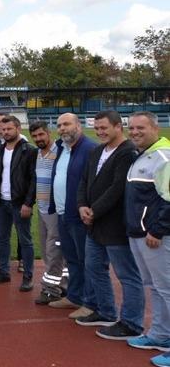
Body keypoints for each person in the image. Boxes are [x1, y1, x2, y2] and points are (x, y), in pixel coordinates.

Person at [76, 110, 142, 339]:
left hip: (115, 225)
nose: (100, 132)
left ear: (118, 127)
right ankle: (105, 311)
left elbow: (118, 188)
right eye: (97, 128)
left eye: (104, 128)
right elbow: (85, 181)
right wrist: (82, 205)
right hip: (94, 224)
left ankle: (132, 323)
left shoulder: (127, 153)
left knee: (127, 275)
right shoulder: (96, 151)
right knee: (94, 267)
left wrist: (94, 210)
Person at [122, 112, 170, 365]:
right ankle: (161, 335)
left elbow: (169, 199)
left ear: (155, 127)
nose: (135, 132)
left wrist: (158, 230)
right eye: (131, 128)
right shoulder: (144, 154)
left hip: (156, 237)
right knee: (157, 288)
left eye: (141, 127)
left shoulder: (164, 156)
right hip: (140, 234)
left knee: (168, 289)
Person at [48, 113, 98, 320]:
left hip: (79, 215)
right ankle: (75, 296)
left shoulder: (90, 149)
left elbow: (93, 183)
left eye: (67, 124)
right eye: (59, 125)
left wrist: (87, 207)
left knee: (86, 260)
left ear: (78, 125)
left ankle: (91, 302)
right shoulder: (62, 148)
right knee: (72, 259)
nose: (62, 128)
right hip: (63, 214)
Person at [0, 116, 36, 290]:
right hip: (0, 203)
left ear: (18, 129)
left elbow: (33, 180)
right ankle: (4, 272)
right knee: (2, 239)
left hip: (19, 203)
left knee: (25, 240)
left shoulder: (28, 150)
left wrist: (28, 203)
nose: (5, 132)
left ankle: (28, 276)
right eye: (3, 130)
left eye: (9, 129)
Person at [29, 121, 67, 305]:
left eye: (41, 135)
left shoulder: (60, 152)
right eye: (35, 136)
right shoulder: (37, 154)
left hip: (55, 210)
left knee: (54, 250)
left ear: (48, 133)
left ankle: (51, 289)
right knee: (48, 250)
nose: (38, 139)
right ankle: (66, 283)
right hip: (42, 210)